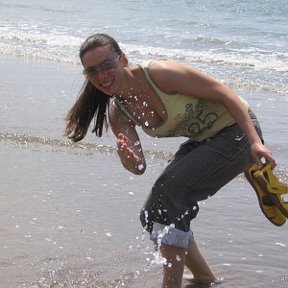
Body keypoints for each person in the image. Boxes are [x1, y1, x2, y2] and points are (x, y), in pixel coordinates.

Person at [65, 33, 276, 288]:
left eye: (108, 65)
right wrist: (127, 157)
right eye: (92, 71)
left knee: (169, 195)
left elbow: (225, 94)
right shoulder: (119, 113)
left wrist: (255, 142)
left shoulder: (160, 73)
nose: (102, 76)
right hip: (204, 141)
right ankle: (204, 277)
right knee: (151, 214)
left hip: (239, 130)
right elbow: (139, 167)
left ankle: (171, 285)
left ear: (123, 59)